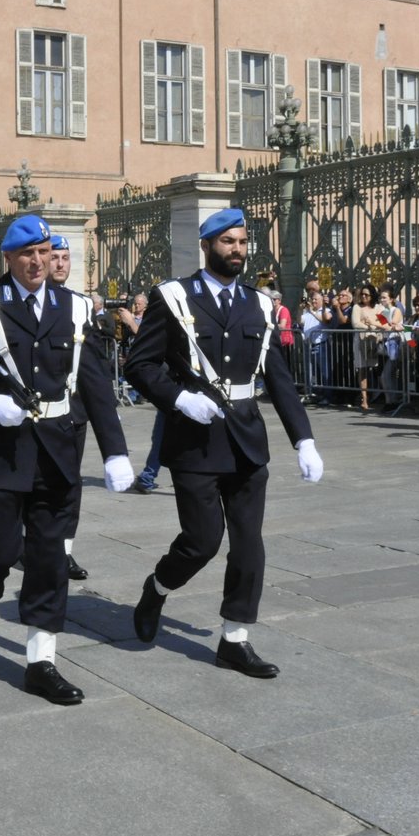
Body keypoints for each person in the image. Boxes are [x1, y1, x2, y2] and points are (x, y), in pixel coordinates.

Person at [0, 214, 133, 705]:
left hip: (57, 451)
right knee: (0, 552)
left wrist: (116, 451)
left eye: (44, 252)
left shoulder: (73, 307)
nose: (38, 262)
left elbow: (92, 382)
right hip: (0, 451)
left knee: (49, 559)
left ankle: (41, 660)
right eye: (28, 254)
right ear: (9, 258)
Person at [124, 209, 321, 678]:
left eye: (242, 242)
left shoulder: (260, 304)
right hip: (195, 439)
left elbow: (278, 378)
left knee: (249, 544)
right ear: (208, 245)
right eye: (228, 242)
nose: (237, 249)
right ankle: (157, 587)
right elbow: (140, 366)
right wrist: (178, 399)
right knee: (202, 541)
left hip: (247, 439)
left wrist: (304, 439)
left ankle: (235, 638)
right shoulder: (173, 298)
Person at [47, 234, 96, 581]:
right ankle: (35, 543)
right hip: (39, 411)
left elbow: (92, 364)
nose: (61, 263)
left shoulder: (80, 306)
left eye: (65, 257)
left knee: (70, 483)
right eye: (55, 257)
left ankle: (64, 551)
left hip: (74, 410)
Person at [351, 286, 379, 411]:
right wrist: (368, 326)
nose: (363, 297)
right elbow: (355, 323)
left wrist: (372, 324)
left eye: (366, 295)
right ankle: (364, 398)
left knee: (374, 368)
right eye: (362, 294)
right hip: (361, 340)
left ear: (372, 296)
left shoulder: (378, 308)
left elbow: (384, 322)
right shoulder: (357, 307)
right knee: (362, 369)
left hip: (374, 341)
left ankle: (377, 395)